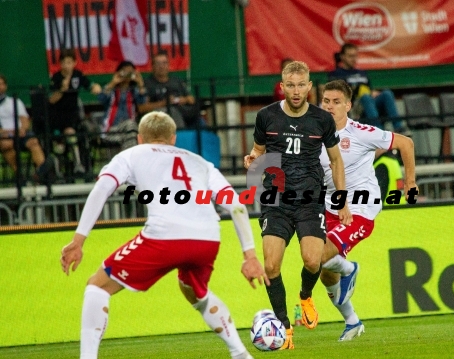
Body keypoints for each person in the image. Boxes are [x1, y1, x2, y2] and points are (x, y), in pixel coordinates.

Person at [60, 111, 267, 359]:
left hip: (164, 236)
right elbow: (236, 206)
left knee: (97, 286)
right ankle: (240, 354)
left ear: (139, 138)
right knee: (195, 292)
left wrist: (78, 240)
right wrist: (250, 256)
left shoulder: (130, 155)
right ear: (173, 139)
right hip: (207, 239)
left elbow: (102, 189)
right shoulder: (200, 162)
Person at [244, 61, 352, 349]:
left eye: (300, 85)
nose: (295, 90)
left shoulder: (321, 120)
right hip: (276, 200)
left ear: (309, 87)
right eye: (289, 85)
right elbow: (258, 151)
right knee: (271, 265)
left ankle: (305, 295)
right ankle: (283, 325)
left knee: (313, 259)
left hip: (309, 200)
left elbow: (335, 160)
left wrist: (341, 200)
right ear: (282, 86)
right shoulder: (266, 117)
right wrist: (252, 158)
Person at [319, 79, 417, 341]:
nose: (330, 107)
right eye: (326, 101)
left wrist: (409, 182)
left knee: (323, 254)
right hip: (328, 206)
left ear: (348, 105)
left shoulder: (361, 132)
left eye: (336, 102)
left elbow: (405, 143)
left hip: (360, 208)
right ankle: (352, 322)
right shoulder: (314, 133)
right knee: (323, 269)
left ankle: (350, 270)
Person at [328, 43, 411, 136]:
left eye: (355, 56)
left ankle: (398, 127)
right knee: (365, 97)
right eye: (350, 56)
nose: (353, 59)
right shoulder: (335, 74)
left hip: (370, 104)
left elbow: (369, 89)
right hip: (353, 107)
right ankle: (378, 130)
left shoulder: (362, 72)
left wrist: (373, 93)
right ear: (342, 57)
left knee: (387, 93)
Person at [49, 49, 102, 176]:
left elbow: (91, 86)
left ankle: (78, 164)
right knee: (59, 145)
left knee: (72, 133)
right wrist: (62, 89)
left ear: (74, 63)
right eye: (64, 62)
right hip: (58, 114)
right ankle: (58, 170)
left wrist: (95, 87)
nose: (67, 65)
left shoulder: (78, 75)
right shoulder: (56, 78)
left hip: (73, 114)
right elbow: (51, 99)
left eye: (69, 62)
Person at [0, 74, 53, 183]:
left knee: (33, 141)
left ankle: (41, 173)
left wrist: (23, 129)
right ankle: (21, 176)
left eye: (1, 84)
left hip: (20, 134)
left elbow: (25, 120)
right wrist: (9, 132)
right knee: (6, 144)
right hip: (4, 136)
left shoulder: (14, 101)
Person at [139, 51, 202, 129]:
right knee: (172, 112)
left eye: (164, 63)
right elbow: (142, 108)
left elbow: (191, 99)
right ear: (152, 66)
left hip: (182, 111)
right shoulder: (147, 83)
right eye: (158, 63)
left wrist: (183, 100)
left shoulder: (176, 80)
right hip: (160, 117)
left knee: (200, 120)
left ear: (169, 65)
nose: (161, 66)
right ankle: (179, 137)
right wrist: (164, 103)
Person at [96, 61, 146, 150]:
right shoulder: (112, 90)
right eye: (124, 72)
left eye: (130, 72)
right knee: (130, 130)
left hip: (129, 130)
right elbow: (101, 98)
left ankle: (126, 161)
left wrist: (140, 84)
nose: (127, 75)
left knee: (130, 131)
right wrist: (113, 82)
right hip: (112, 130)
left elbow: (142, 101)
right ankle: (131, 160)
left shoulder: (133, 91)